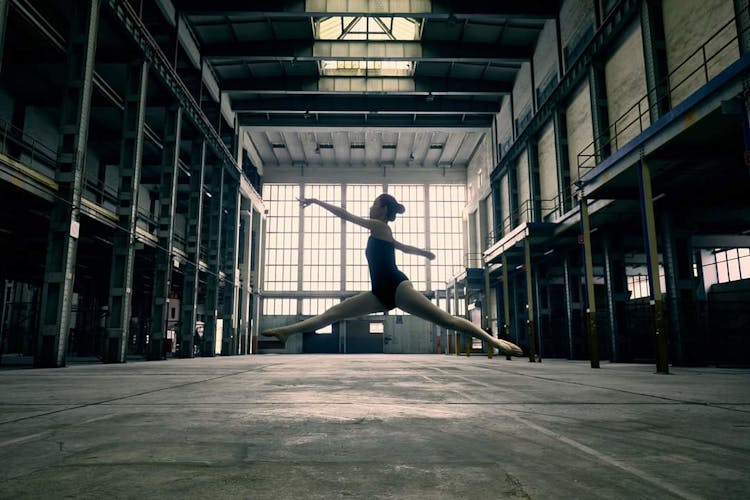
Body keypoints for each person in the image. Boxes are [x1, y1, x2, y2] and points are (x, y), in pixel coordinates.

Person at [262, 194, 523, 357]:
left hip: (398, 287)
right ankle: (288, 332)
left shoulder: (378, 226)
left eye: (374, 204)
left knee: (447, 320)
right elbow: (402, 247)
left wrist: (317, 201)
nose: (370, 207)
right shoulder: (381, 232)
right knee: (333, 313)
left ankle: (494, 341)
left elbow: (346, 216)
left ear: (383, 210)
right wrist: (424, 253)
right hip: (379, 292)